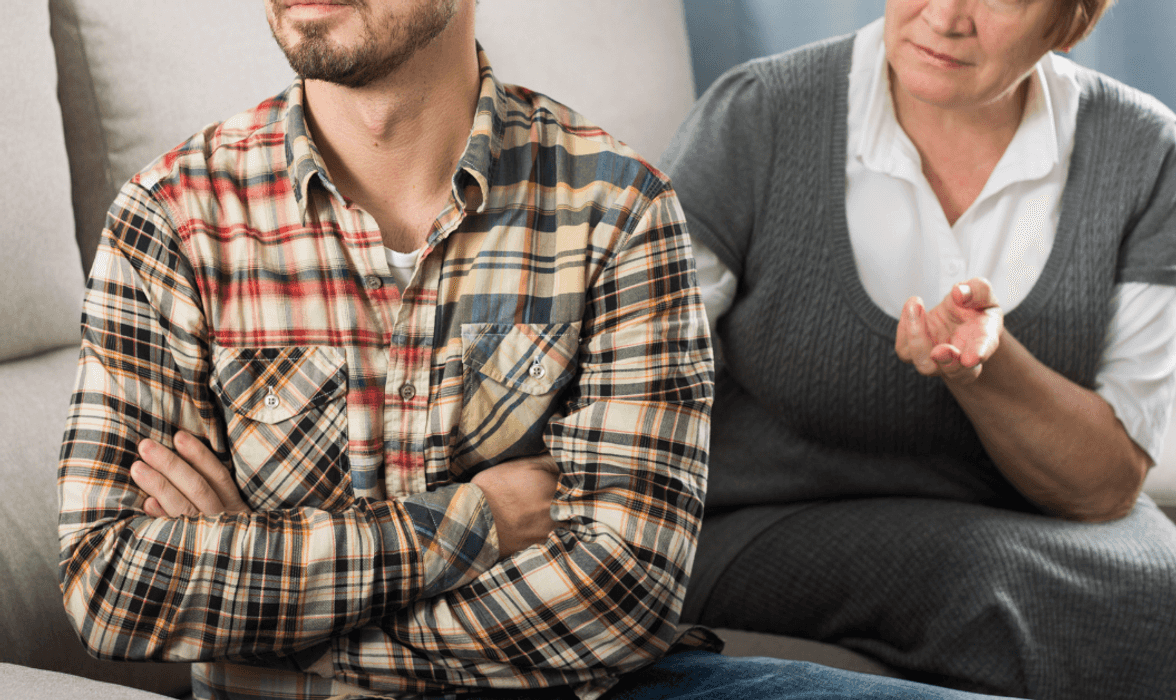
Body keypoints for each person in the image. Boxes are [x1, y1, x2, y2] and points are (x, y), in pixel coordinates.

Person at [55, 1, 1024, 699]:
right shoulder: (172, 222)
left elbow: (624, 591)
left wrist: (282, 637)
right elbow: (111, 584)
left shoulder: (619, 209)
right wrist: (475, 518)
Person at [660, 0, 1176, 698]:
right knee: (1015, 589)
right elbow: (628, 371)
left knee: (1174, 605)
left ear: (1072, 17)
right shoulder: (758, 113)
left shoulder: (1147, 149)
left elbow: (1104, 485)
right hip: (758, 515)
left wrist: (988, 371)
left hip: (1017, 512)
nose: (943, 18)